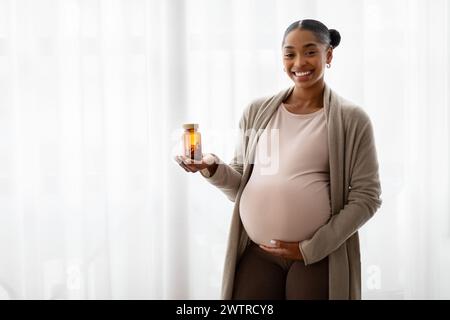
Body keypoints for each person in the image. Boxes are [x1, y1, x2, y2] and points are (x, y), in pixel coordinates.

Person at [175, 19, 382, 300]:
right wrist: (211, 167)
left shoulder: (351, 119)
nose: (299, 62)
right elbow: (240, 185)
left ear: (328, 55)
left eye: (310, 51)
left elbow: (367, 198)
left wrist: (311, 248)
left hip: (315, 256)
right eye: (289, 53)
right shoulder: (258, 111)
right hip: (259, 252)